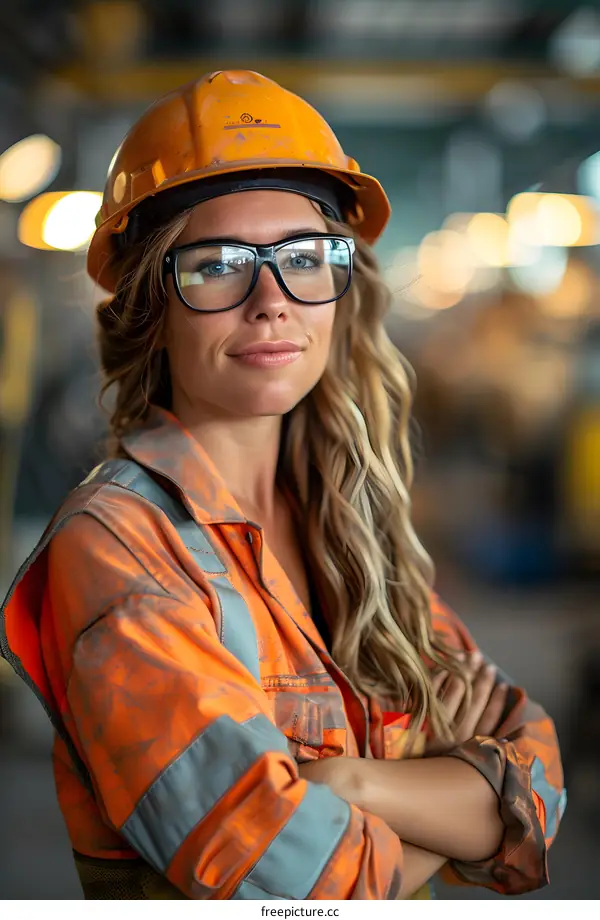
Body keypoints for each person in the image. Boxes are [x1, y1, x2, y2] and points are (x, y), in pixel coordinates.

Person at [0, 70, 565, 901]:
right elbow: (294, 892)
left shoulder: (349, 523)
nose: (271, 301)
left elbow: (541, 775)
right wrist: (451, 817)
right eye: (219, 264)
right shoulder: (122, 550)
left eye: (304, 258)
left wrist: (352, 790)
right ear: (152, 306)